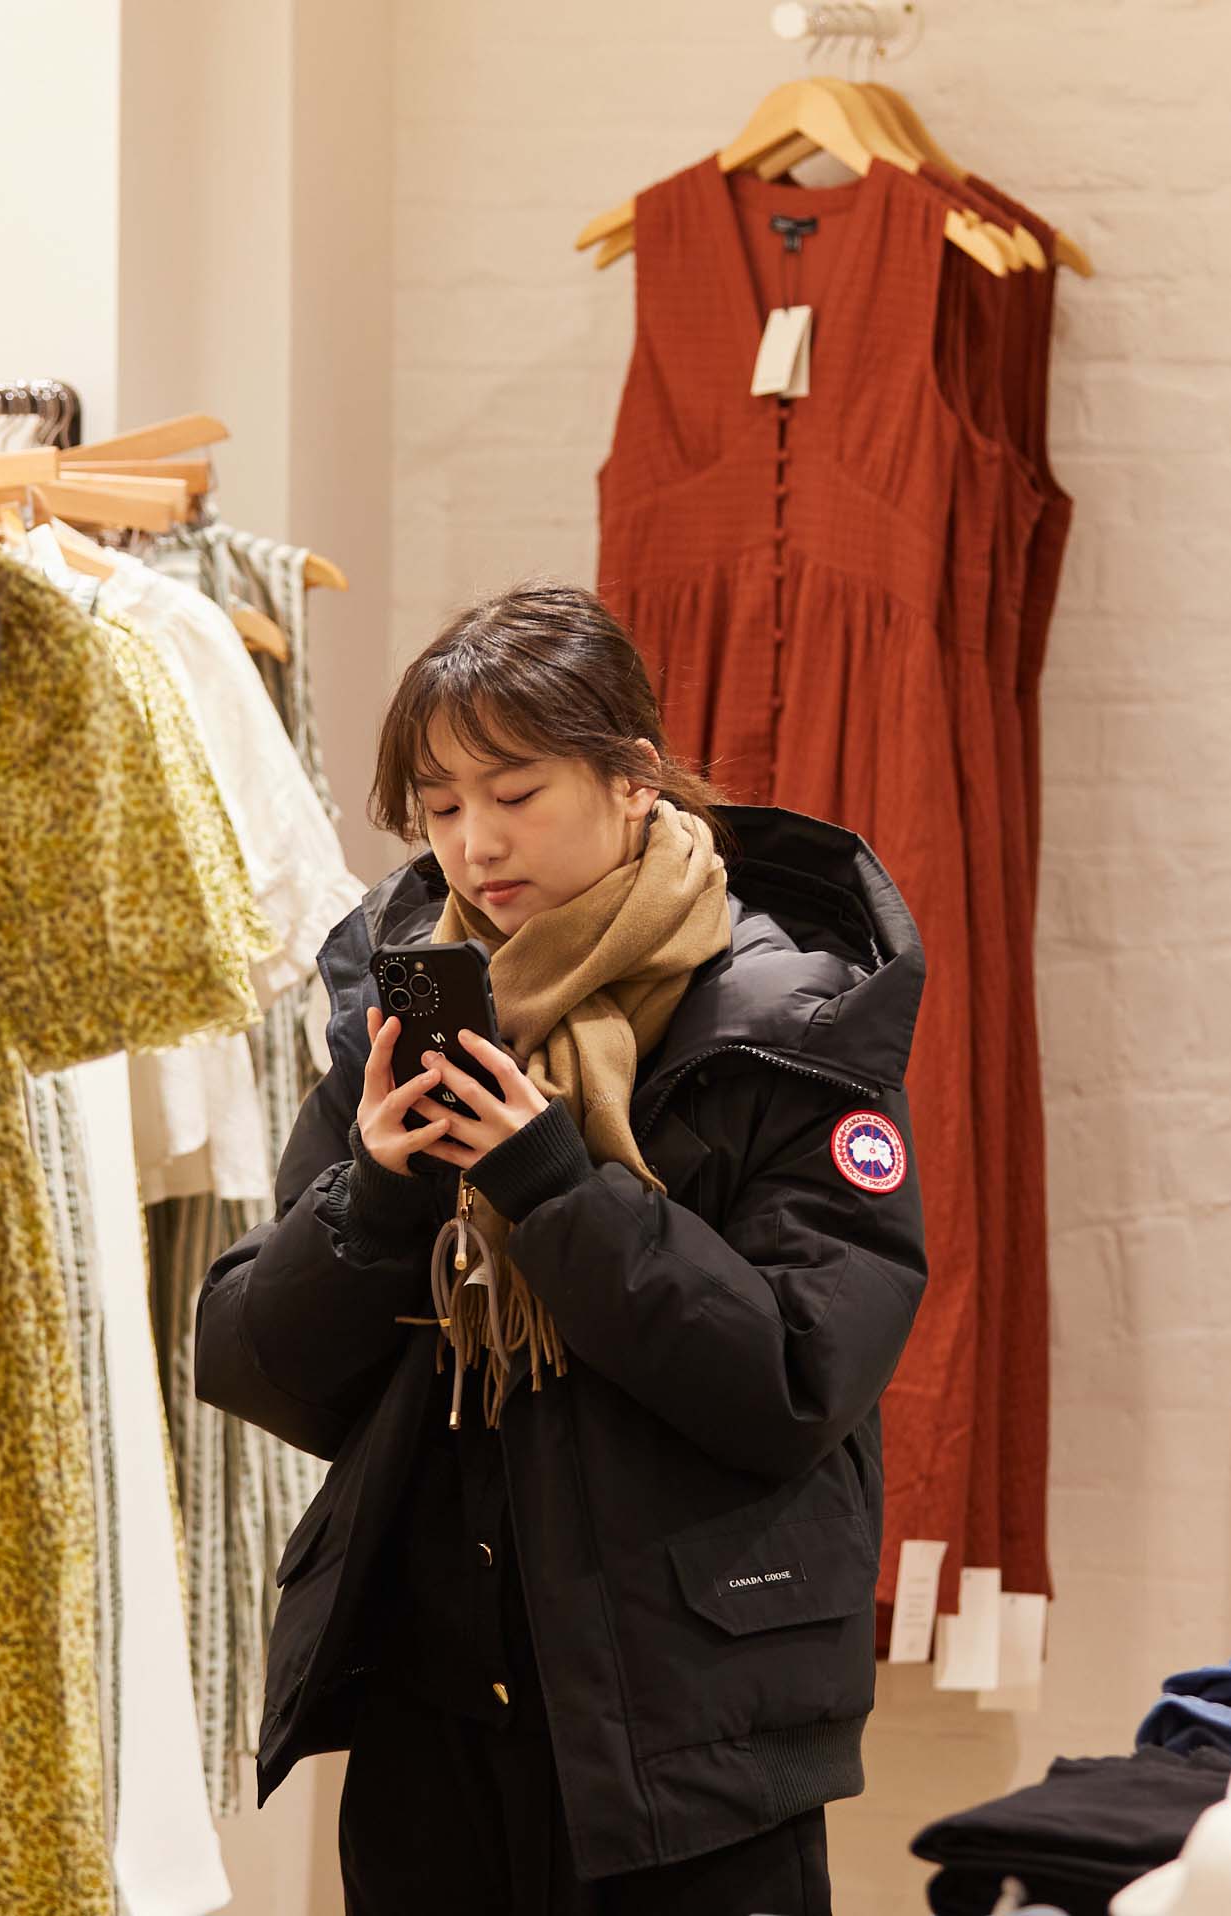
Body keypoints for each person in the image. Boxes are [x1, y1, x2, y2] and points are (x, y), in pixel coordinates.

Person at [196, 583, 931, 1916]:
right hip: (431, 1721)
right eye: (439, 808)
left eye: (516, 793)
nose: (475, 844)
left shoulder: (790, 1020)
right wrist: (380, 1196)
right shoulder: (408, 1002)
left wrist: (552, 1184)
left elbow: (795, 1379)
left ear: (633, 778)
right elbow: (256, 1365)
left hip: (687, 1733)